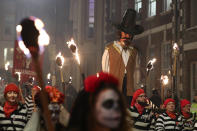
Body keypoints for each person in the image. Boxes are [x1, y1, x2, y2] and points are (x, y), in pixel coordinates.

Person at [102, 8, 144, 105]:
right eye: (125, 33)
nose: (127, 36)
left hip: (129, 89)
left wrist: (136, 89)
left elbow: (136, 72)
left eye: (130, 34)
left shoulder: (134, 51)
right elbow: (105, 70)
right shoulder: (109, 49)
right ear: (120, 33)